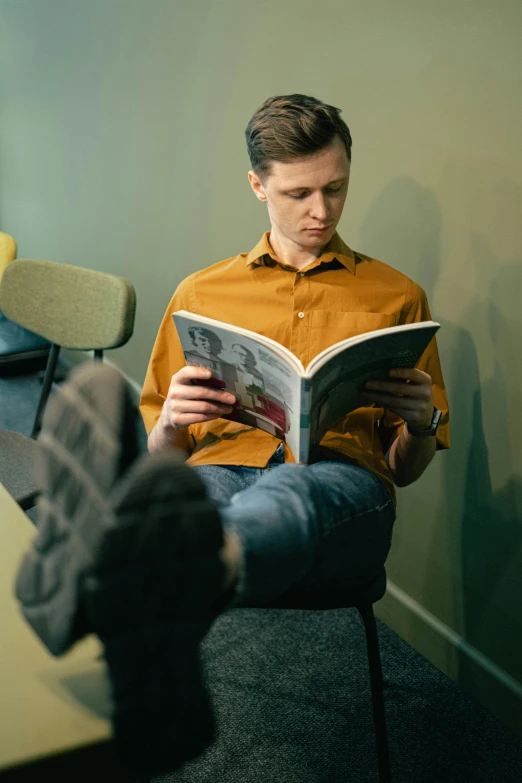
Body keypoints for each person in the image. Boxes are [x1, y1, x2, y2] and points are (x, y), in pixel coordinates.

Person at [15, 94, 449, 777]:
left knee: (290, 495)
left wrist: (422, 423)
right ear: (257, 186)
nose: (322, 211)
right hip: (220, 469)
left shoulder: (397, 298)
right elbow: (169, 451)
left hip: (343, 494)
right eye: (298, 192)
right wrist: (167, 422)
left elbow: (408, 466)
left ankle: (116, 572)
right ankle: (161, 582)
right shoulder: (202, 293)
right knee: (182, 490)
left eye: (335, 188)